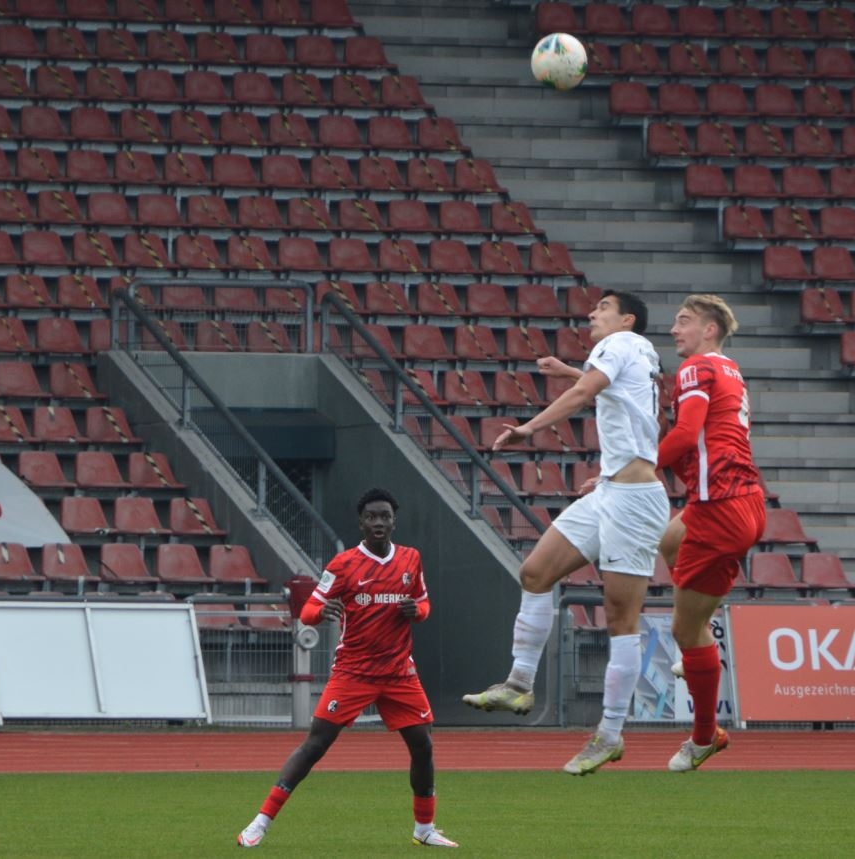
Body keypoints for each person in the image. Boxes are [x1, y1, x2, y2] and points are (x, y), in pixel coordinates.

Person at [462, 290, 670, 775]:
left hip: (635, 502)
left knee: (621, 620)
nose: (592, 314)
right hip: (612, 490)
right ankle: (518, 682)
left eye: (602, 308)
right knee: (535, 573)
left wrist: (526, 429)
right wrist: (570, 373)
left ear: (627, 318)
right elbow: (615, 396)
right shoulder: (642, 351)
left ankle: (610, 734)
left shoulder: (618, 345)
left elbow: (584, 397)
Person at [237, 488, 457, 849]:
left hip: (400, 671)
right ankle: (260, 822)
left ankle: (425, 829)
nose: (378, 523)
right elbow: (307, 611)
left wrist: (415, 612)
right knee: (315, 744)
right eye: (371, 517)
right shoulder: (343, 565)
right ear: (361, 522)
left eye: (384, 516)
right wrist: (322, 612)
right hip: (353, 673)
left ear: (393, 520)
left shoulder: (410, 559)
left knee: (424, 746)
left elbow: (424, 603)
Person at [656, 294, 764, 772]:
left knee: (684, 628)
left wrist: (634, 469)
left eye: (684, 321)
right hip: (739, 501)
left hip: (720, 507)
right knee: (668, 541)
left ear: (710, 330)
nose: (675, 329)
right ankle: (700, 645)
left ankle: (704, 737)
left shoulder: (696, 368)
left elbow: (685, 434)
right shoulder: (731, 370)